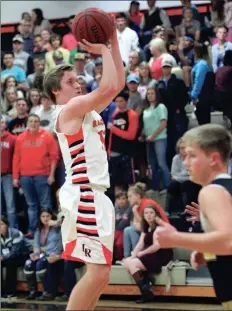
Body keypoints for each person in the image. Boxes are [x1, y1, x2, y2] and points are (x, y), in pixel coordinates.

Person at [42, 20, 125, 310]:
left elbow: (118, 86)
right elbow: (110, 86)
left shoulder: (84, 109)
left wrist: (113, 43)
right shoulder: (70, 109)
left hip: (95, 194)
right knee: (99, 273)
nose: (77, 84)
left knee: (100, 277)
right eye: (70, 82)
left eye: (77, 80)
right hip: (84, 192)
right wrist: (104, 47)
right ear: (55, 91)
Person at [154, 124, 232, 311]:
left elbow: (231, 242)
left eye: (192, 156)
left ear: (214, 159)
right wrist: (210, 251)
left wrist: (175, 238)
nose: (186, 163)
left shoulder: (211, 192)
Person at [123, 205, 173, 303]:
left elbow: (156, 246)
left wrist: (141, 253)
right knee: (127, 261)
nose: (149, 215)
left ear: (156, 215)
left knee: (132, 264)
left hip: (161, 254)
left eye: (151, 213)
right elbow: (140, 243)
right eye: (146, 213)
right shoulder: (146, 227)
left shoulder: (159, 228)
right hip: (150, 253)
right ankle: (146, 287)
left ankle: (146, 291)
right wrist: (134, 255)